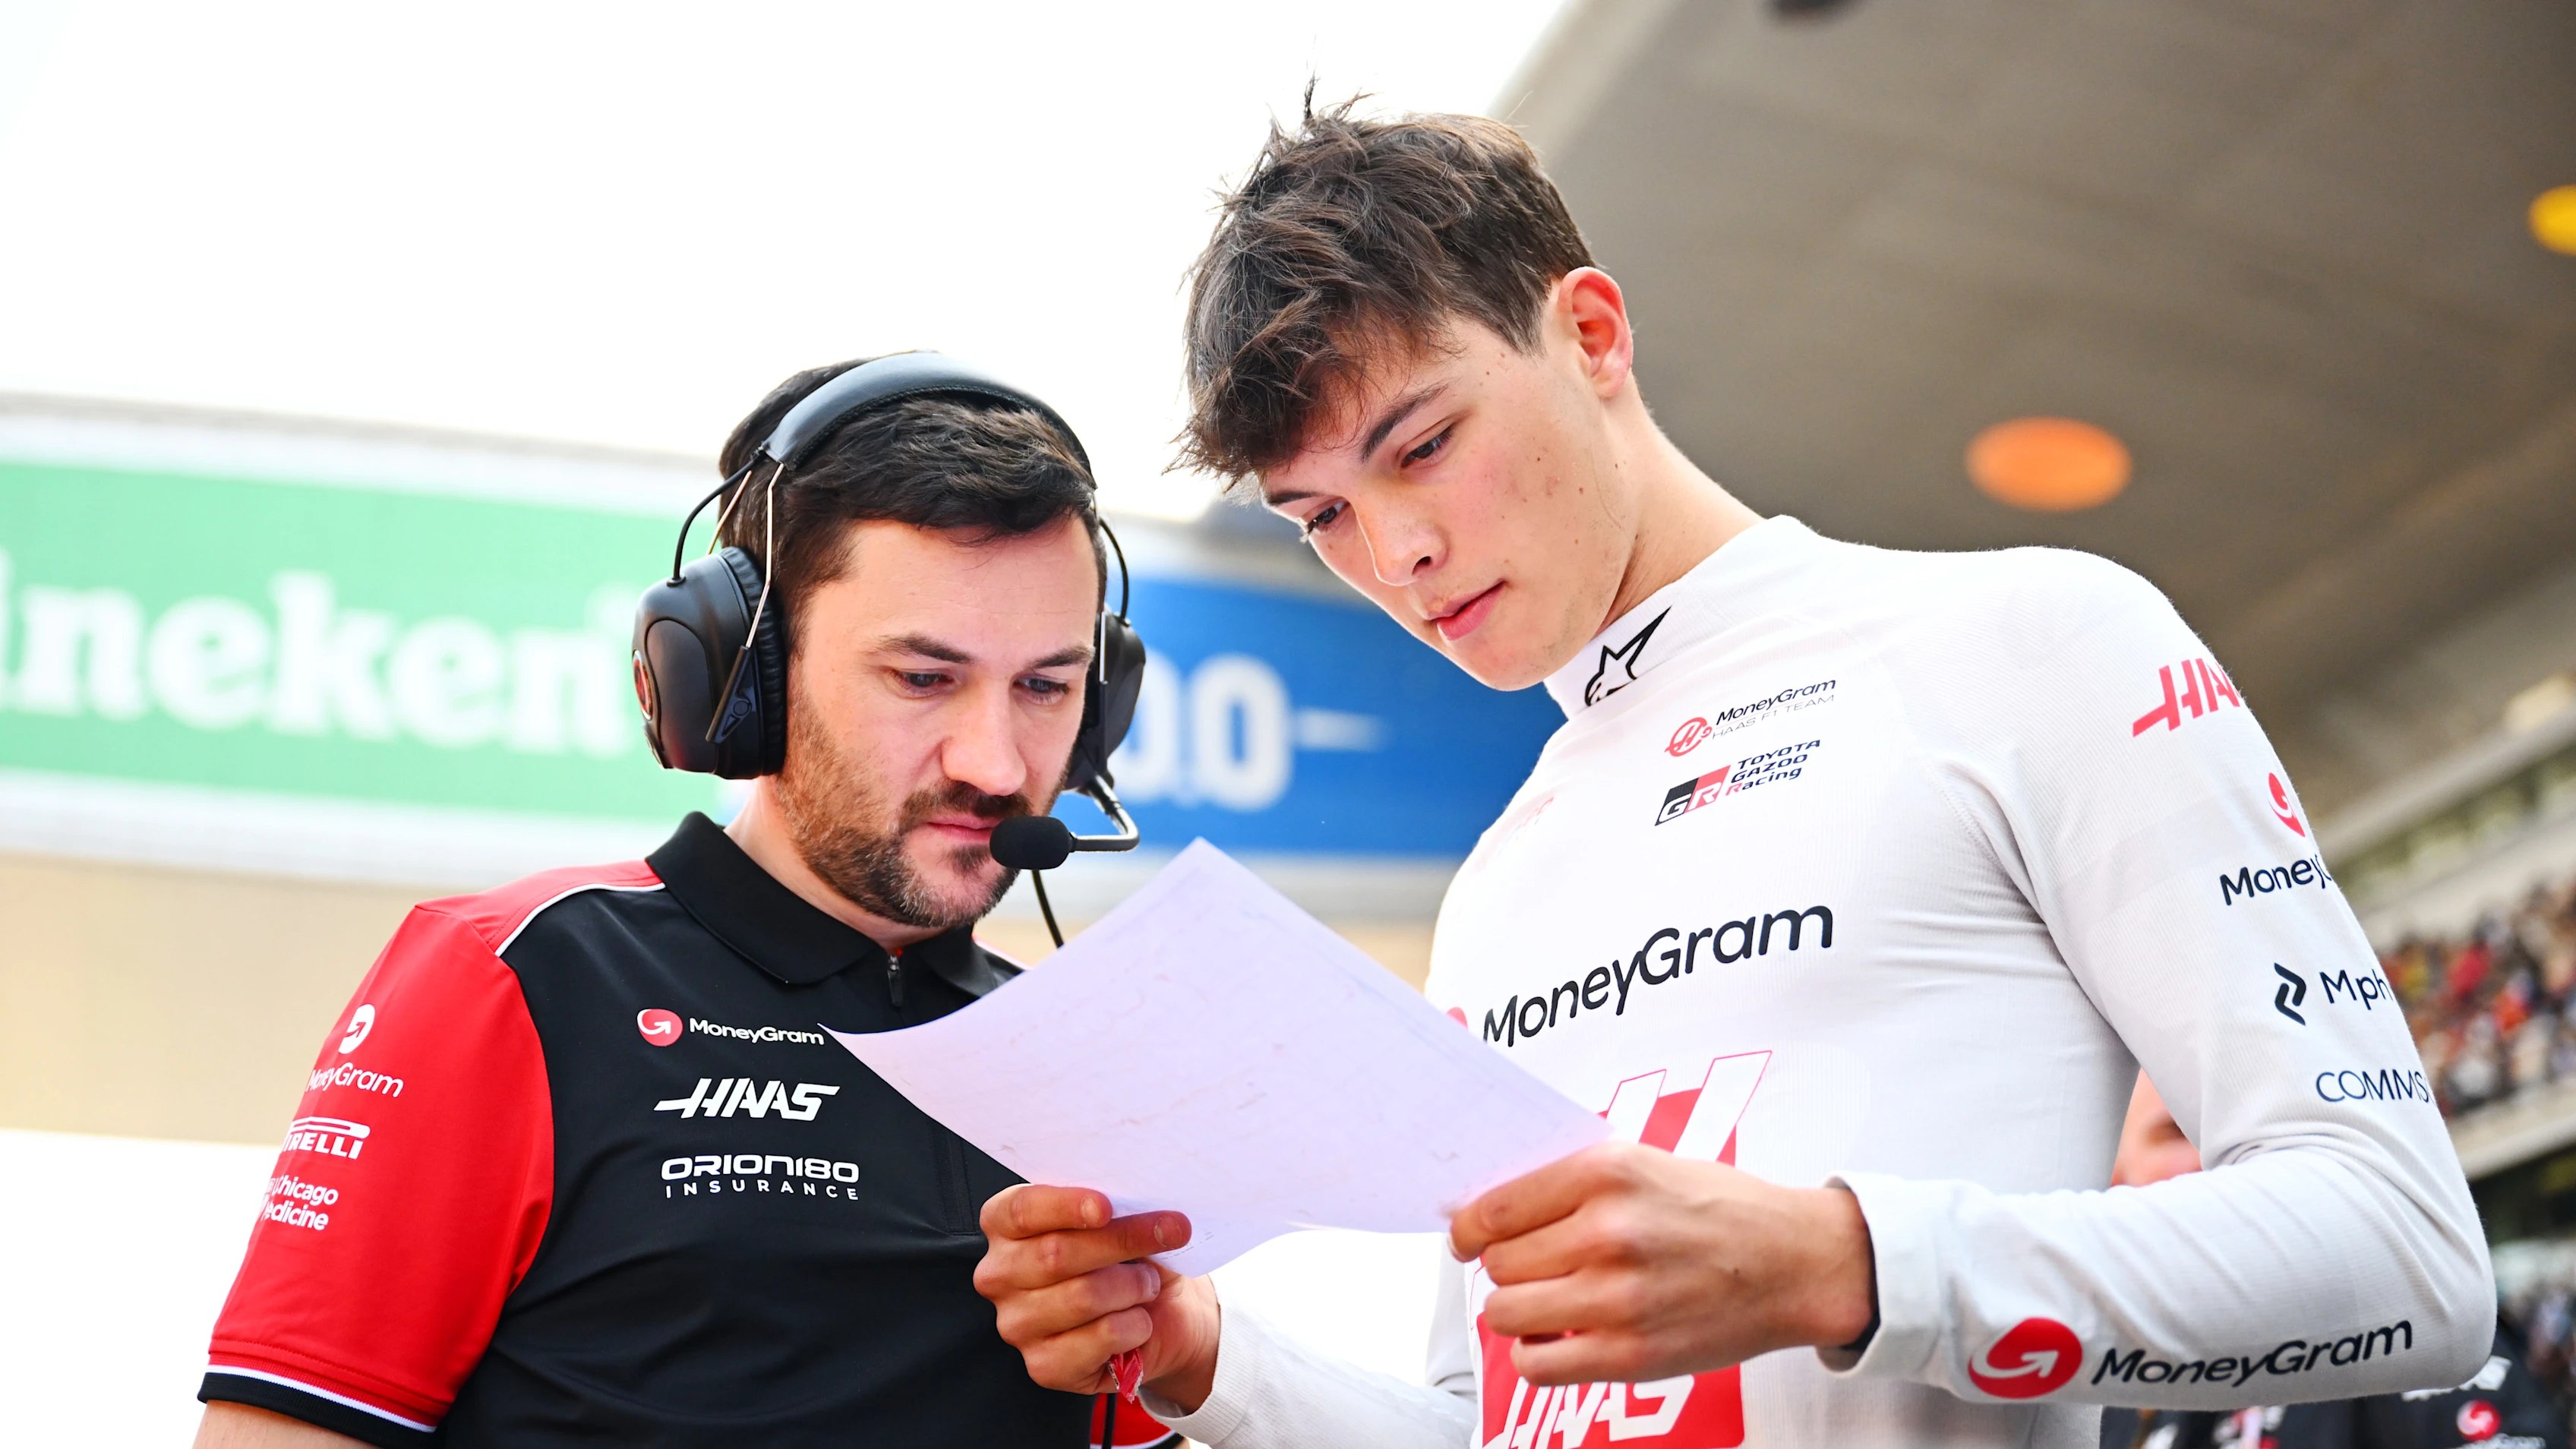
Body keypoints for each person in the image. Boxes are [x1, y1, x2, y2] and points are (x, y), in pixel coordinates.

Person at [971, 99, 2495, 1447]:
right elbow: (1485, 1416)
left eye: (1423, 444)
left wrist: (1844, 1266)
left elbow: (2410, 1263)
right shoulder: (1506, 873)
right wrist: (1203, 1357)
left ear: (1590, 333)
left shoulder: (2028, 639)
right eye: (1321, 519)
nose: (1397, 554)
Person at [192, 357, 1173, 1446]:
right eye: (923, 678)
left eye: (1045, 686)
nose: (995, 764)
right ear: (741, 680)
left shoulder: (1085, 1066)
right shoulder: (520, 978)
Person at [2098, 1076, 2565, 1449]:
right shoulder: (2092, 1391)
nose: (2215, 1155)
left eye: (2233, 1131)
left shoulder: (2396, 1327)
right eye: (2178, 1131)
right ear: (2114, 1180)